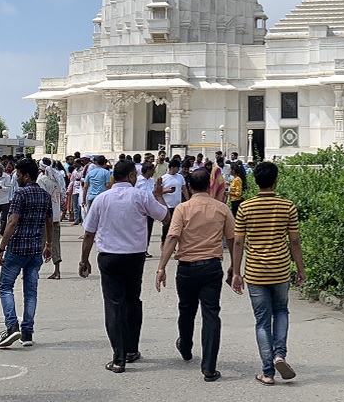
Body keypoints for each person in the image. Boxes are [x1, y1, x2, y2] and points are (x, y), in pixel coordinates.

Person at [79, 159, 168, 373]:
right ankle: (131, 349)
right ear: (130, 176)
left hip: (109, 256)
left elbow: (89, 232)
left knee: (114, 304)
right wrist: (158, 195)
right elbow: (165, 217)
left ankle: (118, 358)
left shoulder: (101, 199)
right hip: (134, 256)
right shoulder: (141, 195)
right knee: (132, 301)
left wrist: (84, 259)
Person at [155, 168, 239, 382]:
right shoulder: (221, 208)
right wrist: (234, 267)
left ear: (190, 187)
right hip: (211, 267)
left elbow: (172, 237)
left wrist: (161, 267)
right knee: (211, 314)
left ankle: (185, 345)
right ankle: (209, 367)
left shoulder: (183, 209)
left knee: (186, 309)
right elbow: (233, 239)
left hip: (186, 268)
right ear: (210, 187)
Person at [230, 161, 306, 386]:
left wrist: (236, 272)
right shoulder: (287, 206)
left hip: (255, 272)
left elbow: (238, 243)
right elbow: (294, 240)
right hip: (281, 270)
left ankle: (267, 372)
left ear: (255, 181)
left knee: (262, 321)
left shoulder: (245, 207)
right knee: (281, 311)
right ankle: (280, 354)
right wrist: (300, 268)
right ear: (276, 180)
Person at [0, 157, 53, 349]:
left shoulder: (20, 194)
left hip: (17, 249)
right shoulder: (44, 195)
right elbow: (49, 222)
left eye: (18, 174)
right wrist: (49, 244)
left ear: (26, 176)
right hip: (35, 250)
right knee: (31, 292)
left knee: (5, 287)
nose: (16, 178)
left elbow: (12, 222)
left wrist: (0, 249)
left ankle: (11, 326)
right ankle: (27, 332)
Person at [38, 157, 66, 280]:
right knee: (55, 243)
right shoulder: (57, 180)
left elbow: (42, 198)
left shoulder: (41, 180)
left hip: (44, 216)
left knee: (40, 243)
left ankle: (35, 270)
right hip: (55, 216)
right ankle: (57, 271)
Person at [159, 159, 186, 246]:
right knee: (167, 226)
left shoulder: (180, 177)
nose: (178, 170)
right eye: (177, 168)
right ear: (172, 168)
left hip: (177, 205)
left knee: (177, 226)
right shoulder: (163, 178)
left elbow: (184, 189)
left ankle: (173, 244)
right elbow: (158, 192)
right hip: (167, 205)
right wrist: (168, 191)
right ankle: (164, 242)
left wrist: (188, 200)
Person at [0, 162, 15, 235]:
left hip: (4, 200)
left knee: (3, 218)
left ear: (2, 171)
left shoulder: (7, 177)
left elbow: (9, 188)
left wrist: (1, 187)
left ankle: (2, 232)